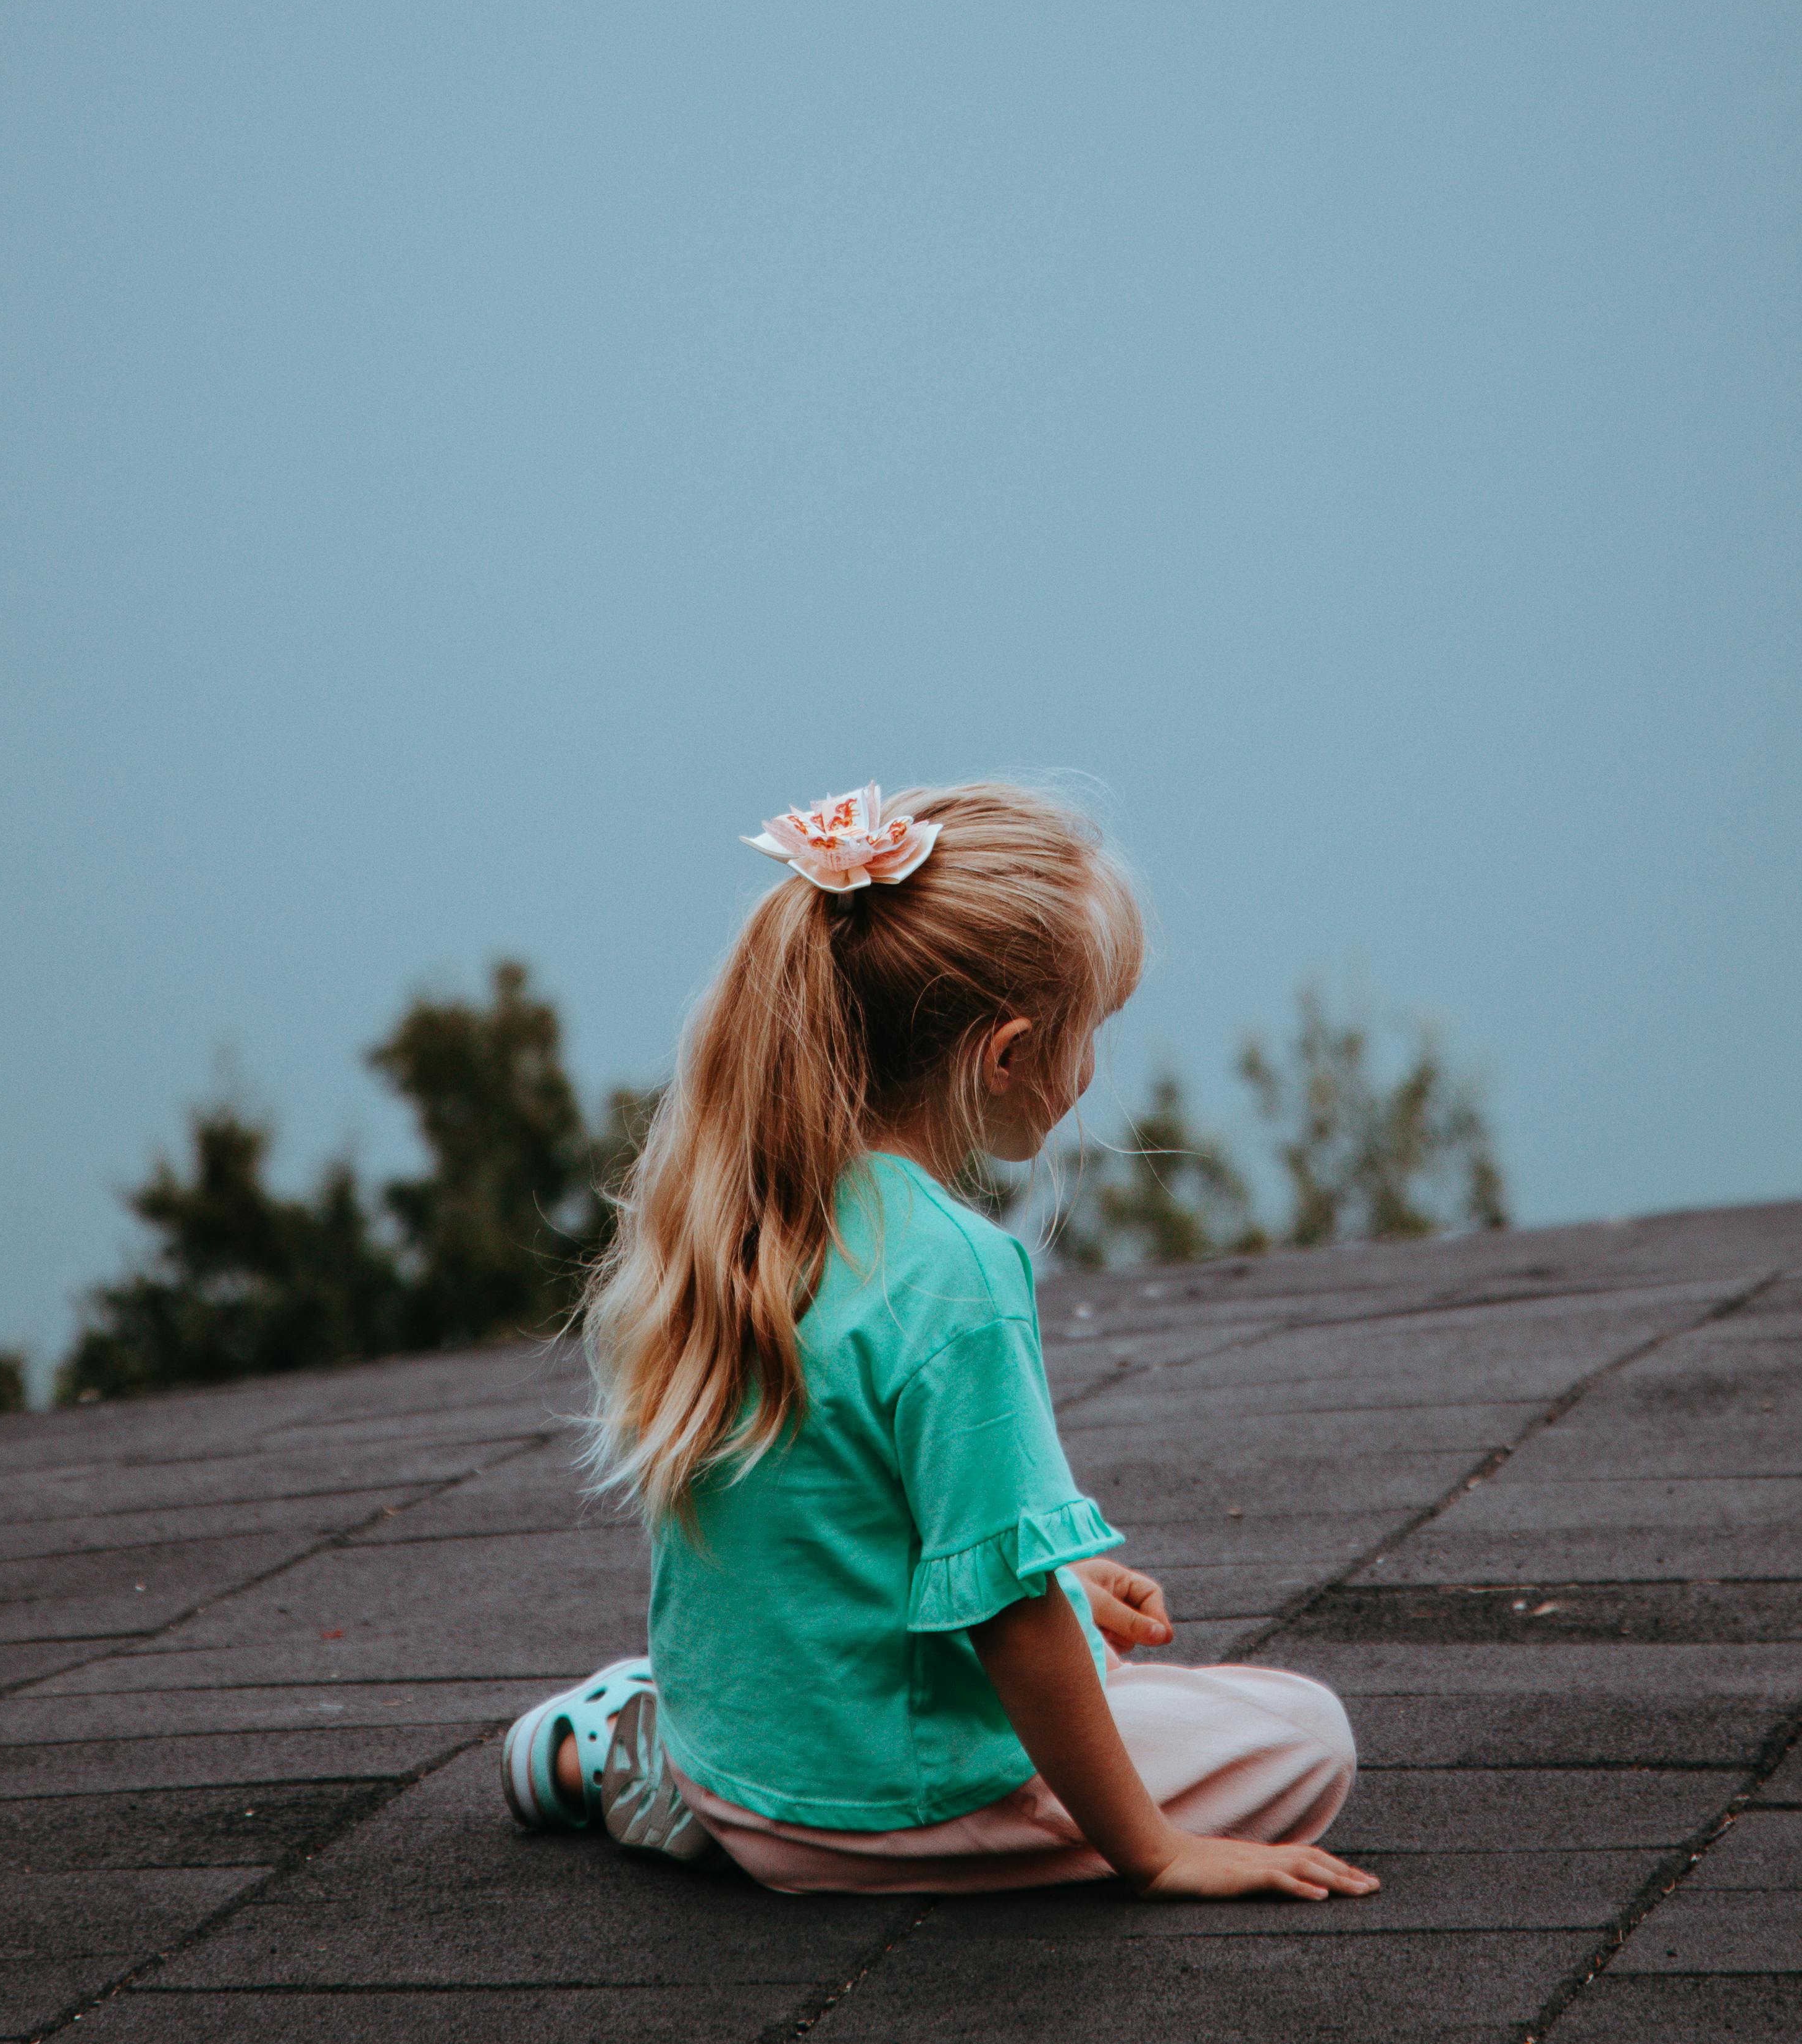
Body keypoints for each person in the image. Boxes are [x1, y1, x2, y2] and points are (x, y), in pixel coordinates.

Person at [501, 780, 1375, 1903]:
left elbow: (829, 1516)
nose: (1093, 1069)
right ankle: (660, 1750)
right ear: (1007, 1056)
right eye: (1088, 1033)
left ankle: (629, 1747)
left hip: (746, 1759)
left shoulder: (745, 1204)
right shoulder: (956, 1271)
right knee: (1304, 1738)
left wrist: (1056, 1585)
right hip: (875, 1812)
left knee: (1085, 1642)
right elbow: (1013, 1627)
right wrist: (1156, 1851)